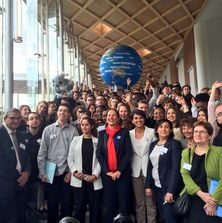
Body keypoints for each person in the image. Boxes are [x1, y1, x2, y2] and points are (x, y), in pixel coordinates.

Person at [38, 104, 79, 223]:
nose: (62, 113)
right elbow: (42, 153)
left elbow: (76, 154)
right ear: (57, 113)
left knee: (67, 204)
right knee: (52, 204)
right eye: (60, 110)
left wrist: (72, 172)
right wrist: (42, 172)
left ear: (69, 115)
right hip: (50, 172)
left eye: (65, 111)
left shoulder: (73, 131)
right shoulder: (48, 129)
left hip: (66, 172)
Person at [180, 121, 222, 223]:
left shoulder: (219, 152)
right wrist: (201, 194)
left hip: (216, 199)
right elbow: (185, 175)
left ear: (209, 135)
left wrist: (212, 201)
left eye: (202, 132)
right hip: (194, 199)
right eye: (196, 131)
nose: (198, 134)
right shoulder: (186, 153)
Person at [97, 108, 133, 223]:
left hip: (122, 174)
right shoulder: (102, 133)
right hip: (107, 175)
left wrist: (119, 171)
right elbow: (100, 154)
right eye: (109, 115)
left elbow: (128, 153)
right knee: (109, 203)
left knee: (124, 202)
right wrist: (107, 171)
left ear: (118, 118)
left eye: (113, 115)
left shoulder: (124, 132)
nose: (111, 117)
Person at [145, 119, 183, 223]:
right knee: (163, 215)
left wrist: (170, 191)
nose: (163, 129)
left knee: (170, 217)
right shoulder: (153, 144)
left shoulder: (174, 144)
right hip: (157, 187)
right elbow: (150, 166)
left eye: (166, 127)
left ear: (171, 130)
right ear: (156, 129)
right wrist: (148, 185)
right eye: (161, 126)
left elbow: (176, 169)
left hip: (169, 188)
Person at [68, 117, 102, 223]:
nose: (84, 127)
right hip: (79, 179)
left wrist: (95, 175)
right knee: (79, 208)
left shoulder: (98, 141)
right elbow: (70, 158)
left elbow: (101, 160)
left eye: (87, 125)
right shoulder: (75, 140)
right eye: (82, 125)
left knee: (95, 209)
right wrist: (74, 172)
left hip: (93, 180)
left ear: (92, 126)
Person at [0, 108, 30, 223]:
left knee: (20, 216)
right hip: (5, 186)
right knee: (6, 217)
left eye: (18, 118)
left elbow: (27, 157)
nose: (16, 121)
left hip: (22, 185)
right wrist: (18, 177)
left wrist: (26, 173)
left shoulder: (21, 135)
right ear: (5, 118)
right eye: (12, 118)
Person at [130, 110, 156, 223]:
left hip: (149, 169)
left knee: (150, 201)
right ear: (132, 120)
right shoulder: (129, 133)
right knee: (139, 202)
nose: (138, 120)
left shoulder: (152, 132)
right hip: (135, 170)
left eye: (140, 118)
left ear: (144, 119)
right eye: (136, 118)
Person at [24, 112, 43, 223]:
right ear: (27, 122)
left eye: (36, 118)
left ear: (40, 121)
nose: (34, 120)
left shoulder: (44, 136)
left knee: (34, 202)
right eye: (31, 118)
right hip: (24, 174)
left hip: (37, 174)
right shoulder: (22, 135)